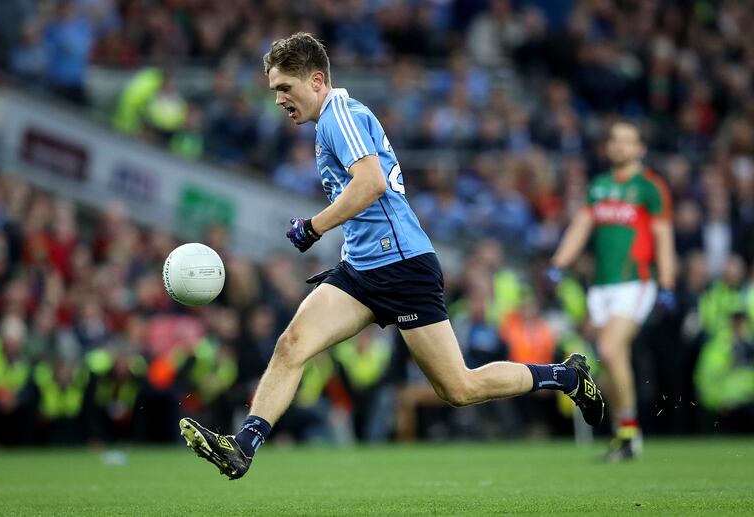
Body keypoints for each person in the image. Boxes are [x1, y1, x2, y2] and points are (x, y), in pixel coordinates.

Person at [179, 32, 603, 480]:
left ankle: (566, 377)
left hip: (402, 267)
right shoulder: (333, 119)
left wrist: (313, 226)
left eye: (285, 87)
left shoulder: (337, 115)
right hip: (362, 269)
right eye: (275, 90)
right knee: (291, 346)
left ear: (317, 80)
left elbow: (371, 184)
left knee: (458, 388)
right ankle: (243, 446)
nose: (279, 99)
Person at [547, 120, 676, 462]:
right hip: (600, 288)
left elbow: (663, 237)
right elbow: (581, 225)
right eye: (614, 140)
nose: (618, 146)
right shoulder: (600, 186)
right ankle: (626, 434)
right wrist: (559, 262)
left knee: (608, 346)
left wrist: (667, 283)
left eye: (626, 141)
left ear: (640, 148)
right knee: (612, 358)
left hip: (635, 282)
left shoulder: (650, 187)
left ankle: (630, 431)